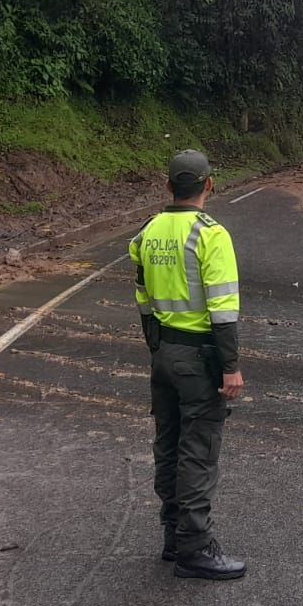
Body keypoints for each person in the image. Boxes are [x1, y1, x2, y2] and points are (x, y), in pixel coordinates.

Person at [129, 149, 247, 580]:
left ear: (168, 187)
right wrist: (229, 366)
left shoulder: (146, 232)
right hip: (199, 359)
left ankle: (173, 535)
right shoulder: (210, 235)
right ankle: (194, 549)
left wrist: (155, 349)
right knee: (197, 451)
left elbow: (143, 297)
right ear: (209, 185)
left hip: (163, 354)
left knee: (168, 443)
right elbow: (222, 309)